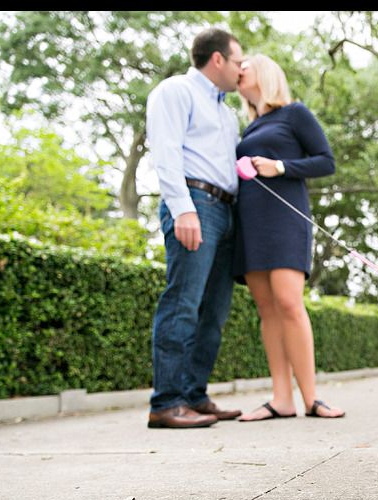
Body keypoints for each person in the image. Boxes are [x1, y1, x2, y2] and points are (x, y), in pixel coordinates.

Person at [233, 53, 345, 420]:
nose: (237, 72)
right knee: (266, 309)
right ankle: (281, 399)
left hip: (284, 219)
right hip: (250, 222)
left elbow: (325, 161)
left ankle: (311, 397)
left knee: (289, 303)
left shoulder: (294, 113)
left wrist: (279, 166)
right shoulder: (249, 126)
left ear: (263, 74)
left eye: (243, 67)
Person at [144, 28, 245, 428]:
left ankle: (193, 395)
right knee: (182, 304)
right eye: (238, 62)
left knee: (214, 312)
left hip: (226, 211)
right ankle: (165, 403)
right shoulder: (175, 92)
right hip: (194, 204)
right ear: (217, 59)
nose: (242, 70)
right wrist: (182, 208)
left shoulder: (226, 112)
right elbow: (166, 152)